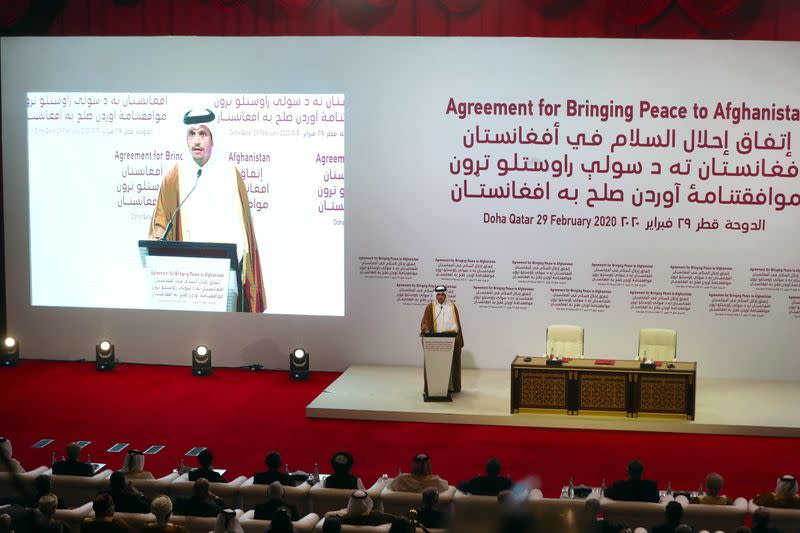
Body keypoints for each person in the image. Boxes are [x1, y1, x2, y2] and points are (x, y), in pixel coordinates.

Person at [148, 108, 265, 313]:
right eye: (191, 134)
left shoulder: (230, 173)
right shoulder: (173, 177)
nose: (196, 141)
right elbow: (160, 224)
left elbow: (242, 228)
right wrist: (158, 242)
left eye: (203, 133)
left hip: (225, 278)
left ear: (213, 138)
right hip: (187, 281)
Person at [420, 285, 464, 393]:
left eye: (442, 294)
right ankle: (434, 388)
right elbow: (425, 323)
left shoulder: (452, 307)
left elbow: (456, 325)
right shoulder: (430, 307)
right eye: (438, 294)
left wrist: (453, 332)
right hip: (434, 343)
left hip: (449, 342)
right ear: (435, 295)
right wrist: (426, 330)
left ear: (446, 295)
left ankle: (450, 387)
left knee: (451, 364)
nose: (440, 297)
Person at [325, 490, 395, 527]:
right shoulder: (378, 517)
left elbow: (327, 515)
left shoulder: (341, 520)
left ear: (351, 502)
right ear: (368, 502)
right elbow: (395, 519)